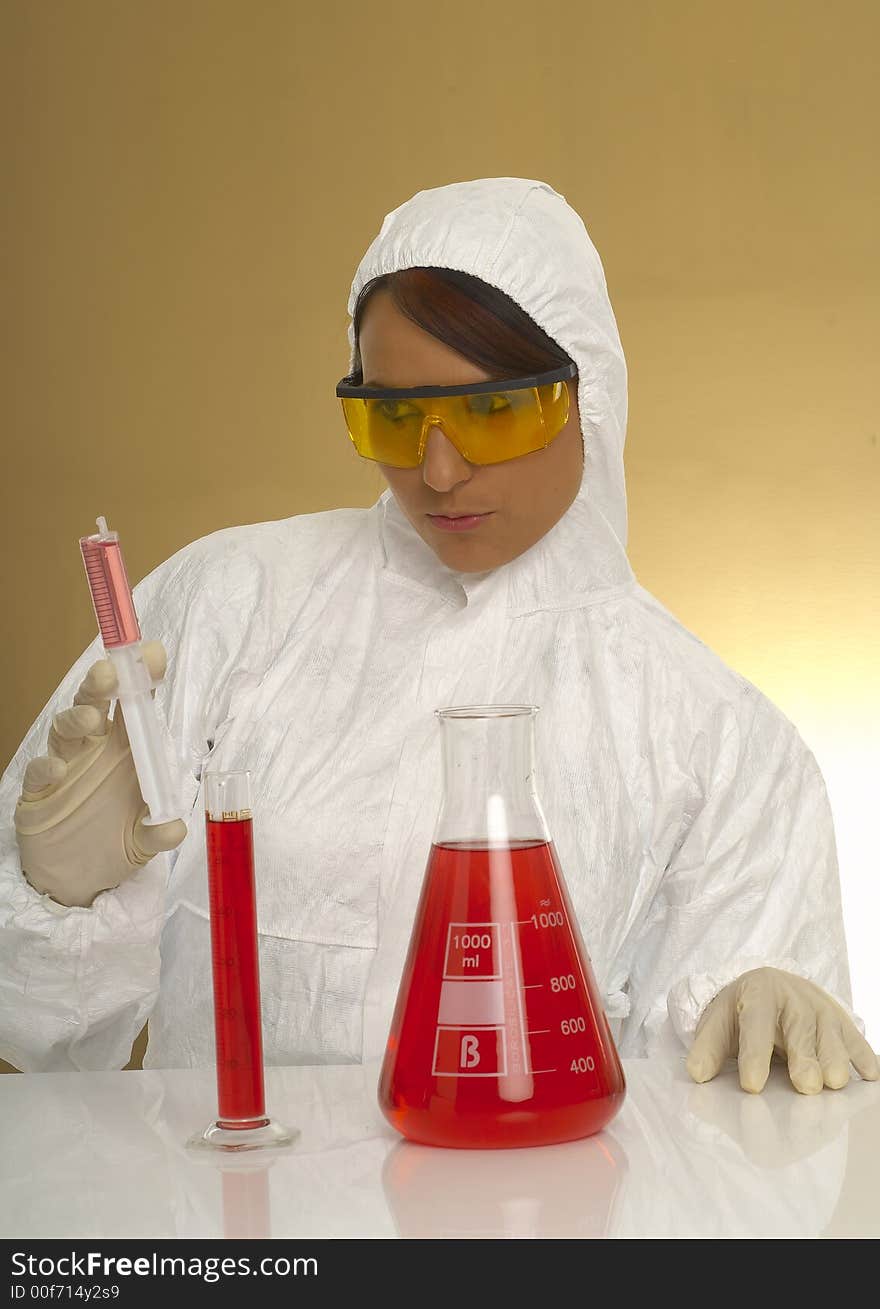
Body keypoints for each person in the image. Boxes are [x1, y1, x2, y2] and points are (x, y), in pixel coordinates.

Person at [2, 177, 876, 1096]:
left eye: (494, 411)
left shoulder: (722, 740)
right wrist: (57, 896)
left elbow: (730, 1179)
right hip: (236, 1229)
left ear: (591, 395)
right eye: (391, 415)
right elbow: (40, 1046)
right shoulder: (229, 604)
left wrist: (769, 1047)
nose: (439, 471)